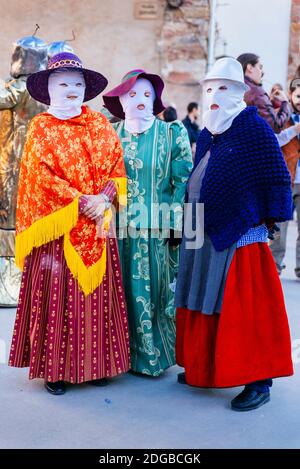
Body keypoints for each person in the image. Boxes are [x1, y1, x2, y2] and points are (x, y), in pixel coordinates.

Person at [175, 58, 293, 412]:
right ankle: (204, 365)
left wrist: (266, 221)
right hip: (201, 227)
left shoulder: (252, 128)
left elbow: (275, 177)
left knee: (245, 307)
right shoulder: (211, 130)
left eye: (224, 88)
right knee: (200, 295)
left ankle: (258, 380)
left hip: (240, 231)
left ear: (241, 91)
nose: (214, 96)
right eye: (209, 88)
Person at [9, 52, 130, 395]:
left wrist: (105, 198)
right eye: (63, 84)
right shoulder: (40, 128)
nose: (71, 89)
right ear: (48, 89)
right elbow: (38, 176)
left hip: (97, 223)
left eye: (77, 84)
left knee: (96, 300)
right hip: (57, 228)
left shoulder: (100, 125)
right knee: (58, 297)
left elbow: (115, 168)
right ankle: (55, 370)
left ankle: (98, 365)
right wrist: (80, 201)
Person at [103, 69, 193, 376]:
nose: (140, 100)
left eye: (146, 94)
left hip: (157, 229)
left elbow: (183, 180)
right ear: (121, 100)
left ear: (155, 99)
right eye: (132, 94)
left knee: (155, 291)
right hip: (116, 228)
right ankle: (117, 356)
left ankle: (151, 356)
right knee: (118, 291)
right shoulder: (109, 133)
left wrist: (177, 224)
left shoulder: (172, 133)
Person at [0, 33, 48, 306]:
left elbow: (3, 97)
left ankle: (11, 286)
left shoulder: (25, 87)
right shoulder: (40, 87)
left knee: (10, 224)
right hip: (18, 162)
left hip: (16, 166)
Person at [270, 77, 300, 278]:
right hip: (285, 178)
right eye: (298, 96)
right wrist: (294, 130)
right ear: (291, 95)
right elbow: (273, 139)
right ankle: (274, 266)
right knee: (280, 227)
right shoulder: (283, 116)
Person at [237, 53, 291, 133]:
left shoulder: (235, 87)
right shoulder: (256, 92)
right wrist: (285, 102)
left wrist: (268, 100)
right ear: (250, 68)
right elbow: (275, 126)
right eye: (260, 67)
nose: (262, 72)